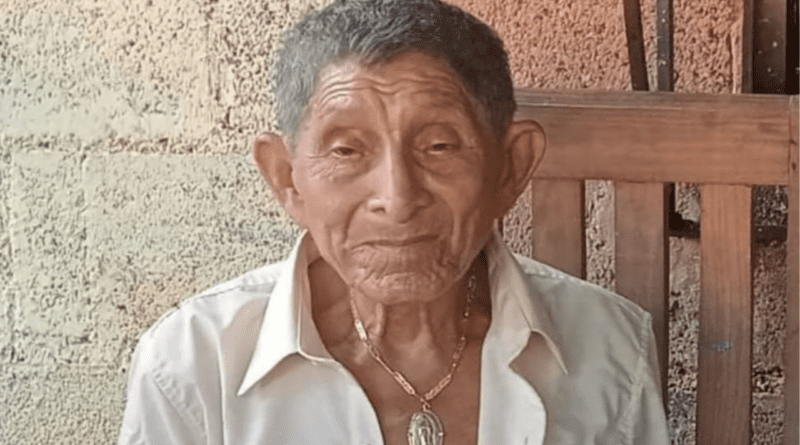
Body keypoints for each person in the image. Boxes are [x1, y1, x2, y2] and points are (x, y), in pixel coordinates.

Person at [118, 0, 669, 444]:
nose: (398, 199)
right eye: (346, 151)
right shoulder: (194, 365)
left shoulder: (610, 347)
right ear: (287, 178)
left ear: (510, 168)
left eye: (439, 146)